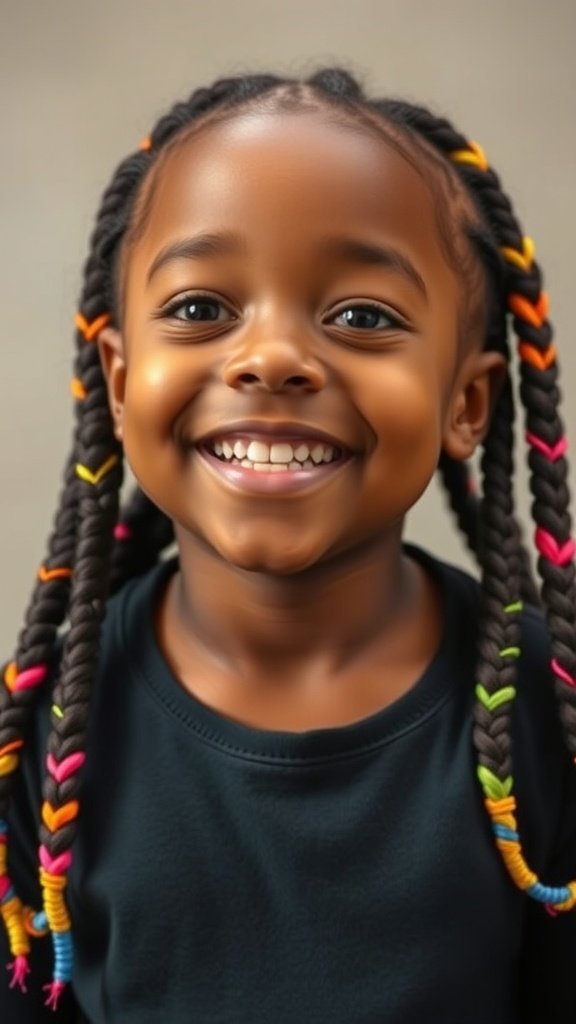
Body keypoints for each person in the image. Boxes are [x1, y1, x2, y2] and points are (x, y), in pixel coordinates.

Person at [0, 65, 575, 1023]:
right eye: (198, 309)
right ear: (118, 377)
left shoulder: (547, 722)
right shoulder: (48, 734)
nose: (269, 356)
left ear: (465, 403)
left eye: (363, 317)